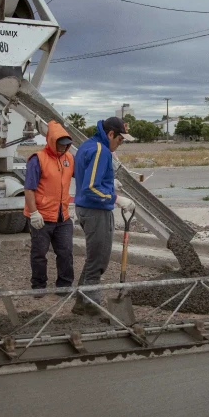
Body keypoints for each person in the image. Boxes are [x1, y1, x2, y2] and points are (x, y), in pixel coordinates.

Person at [72, 117, 136, 315]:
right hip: (95, 210)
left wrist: (109, 184)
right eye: (120, 139)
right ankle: (92, 305)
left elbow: (86, 175)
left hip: (86, 208)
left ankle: (81, 302)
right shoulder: (101, 151)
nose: (120, 143)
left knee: (94, 257)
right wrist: (115, 198)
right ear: (110, 134)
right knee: (99, 259)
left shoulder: (88, 145)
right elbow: (91, 188)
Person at [23, 121, 75, 295]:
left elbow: (84, 176)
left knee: (66, 251)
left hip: (62, 216)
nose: (64, 148)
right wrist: (34, 213)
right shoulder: (38, 159)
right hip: (41, 216)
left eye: (66, 145)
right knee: (39, 253)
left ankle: (64, 286)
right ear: (52, 141)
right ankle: (38, 286)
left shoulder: (69, 159)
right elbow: (29, 189)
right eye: (61, 144)